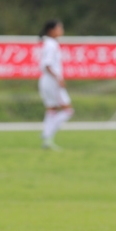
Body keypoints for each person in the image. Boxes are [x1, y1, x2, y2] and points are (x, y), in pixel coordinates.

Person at [38, 19, 73, 150]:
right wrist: (58, 78)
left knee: (52, 109)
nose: (61, 30)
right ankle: (47, 133)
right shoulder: (52, 44)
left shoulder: (48, 43)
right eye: (59, 28)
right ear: (51, 30)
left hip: (45, 81)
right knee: (68, 110)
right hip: (51, 82)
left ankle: (47, 140)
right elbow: (47, 65)